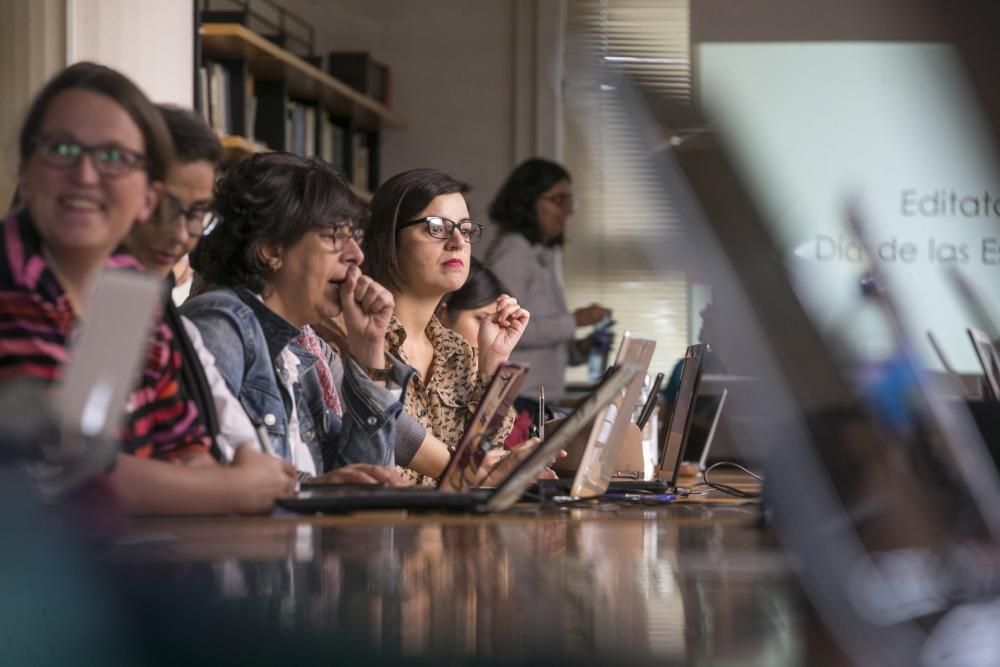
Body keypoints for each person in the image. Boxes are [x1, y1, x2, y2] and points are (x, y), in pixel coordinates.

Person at [0, 62, 297, 516]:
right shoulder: (12, 285)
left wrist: (225, 475)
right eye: (59, 149)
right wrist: (234, 490)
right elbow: (61, 480)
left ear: (145, 193)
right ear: (25, 166)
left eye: (114, 158)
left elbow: (177, 445)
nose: (84, 175)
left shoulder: (122, 294)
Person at [182, 152, 411, 484]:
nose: (357, 256)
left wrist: (368, 352)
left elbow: (361, 486)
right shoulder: (220, 325)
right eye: (335, 236)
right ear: (272, 249)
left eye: (355, 238)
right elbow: (204, 476)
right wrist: (311, 489)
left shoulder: (298, 357)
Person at [362, 168, 530, 484]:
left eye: (465, 230)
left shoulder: (461, 353)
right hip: (383, 528)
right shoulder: (359, 338)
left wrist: (493, 362)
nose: (457, 242)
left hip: (450, 526)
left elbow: (483, 460)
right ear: (389, 239)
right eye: (436, 228)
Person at [121, 104, 264, 462]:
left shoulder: (161, 316)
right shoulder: (218, 318)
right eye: (163, 208)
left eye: (197, 214)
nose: (180, 235)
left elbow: (205, 442)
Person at [484, 158, 612, 404]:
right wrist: (576, 320)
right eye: (559, 200)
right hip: (518, 399)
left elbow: (544, 340)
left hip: (539, 398)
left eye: (569, 201)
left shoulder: (543, 253)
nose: (569, 210)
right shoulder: (512, 252)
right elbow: (507, 330)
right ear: (528, 201)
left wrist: (579, 350)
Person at [438, 257, 531, 447]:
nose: (489, 330)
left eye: (496, 322)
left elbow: (488, 445)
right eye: (480, 319)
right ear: (442, 314)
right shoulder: (426, 375)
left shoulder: (480, 375)